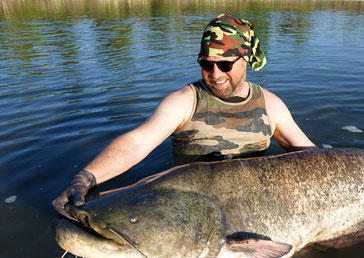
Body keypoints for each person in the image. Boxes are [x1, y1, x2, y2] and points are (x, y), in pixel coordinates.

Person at [52, 14, 315, 220]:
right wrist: (85, 178)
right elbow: (138, 143)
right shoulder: (185, 101)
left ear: (245, 58)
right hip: (190, 212)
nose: (215, 74)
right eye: (205, 64)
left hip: (254, 209)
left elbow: (313, 159)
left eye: (225, 64)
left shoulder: (271, 105)